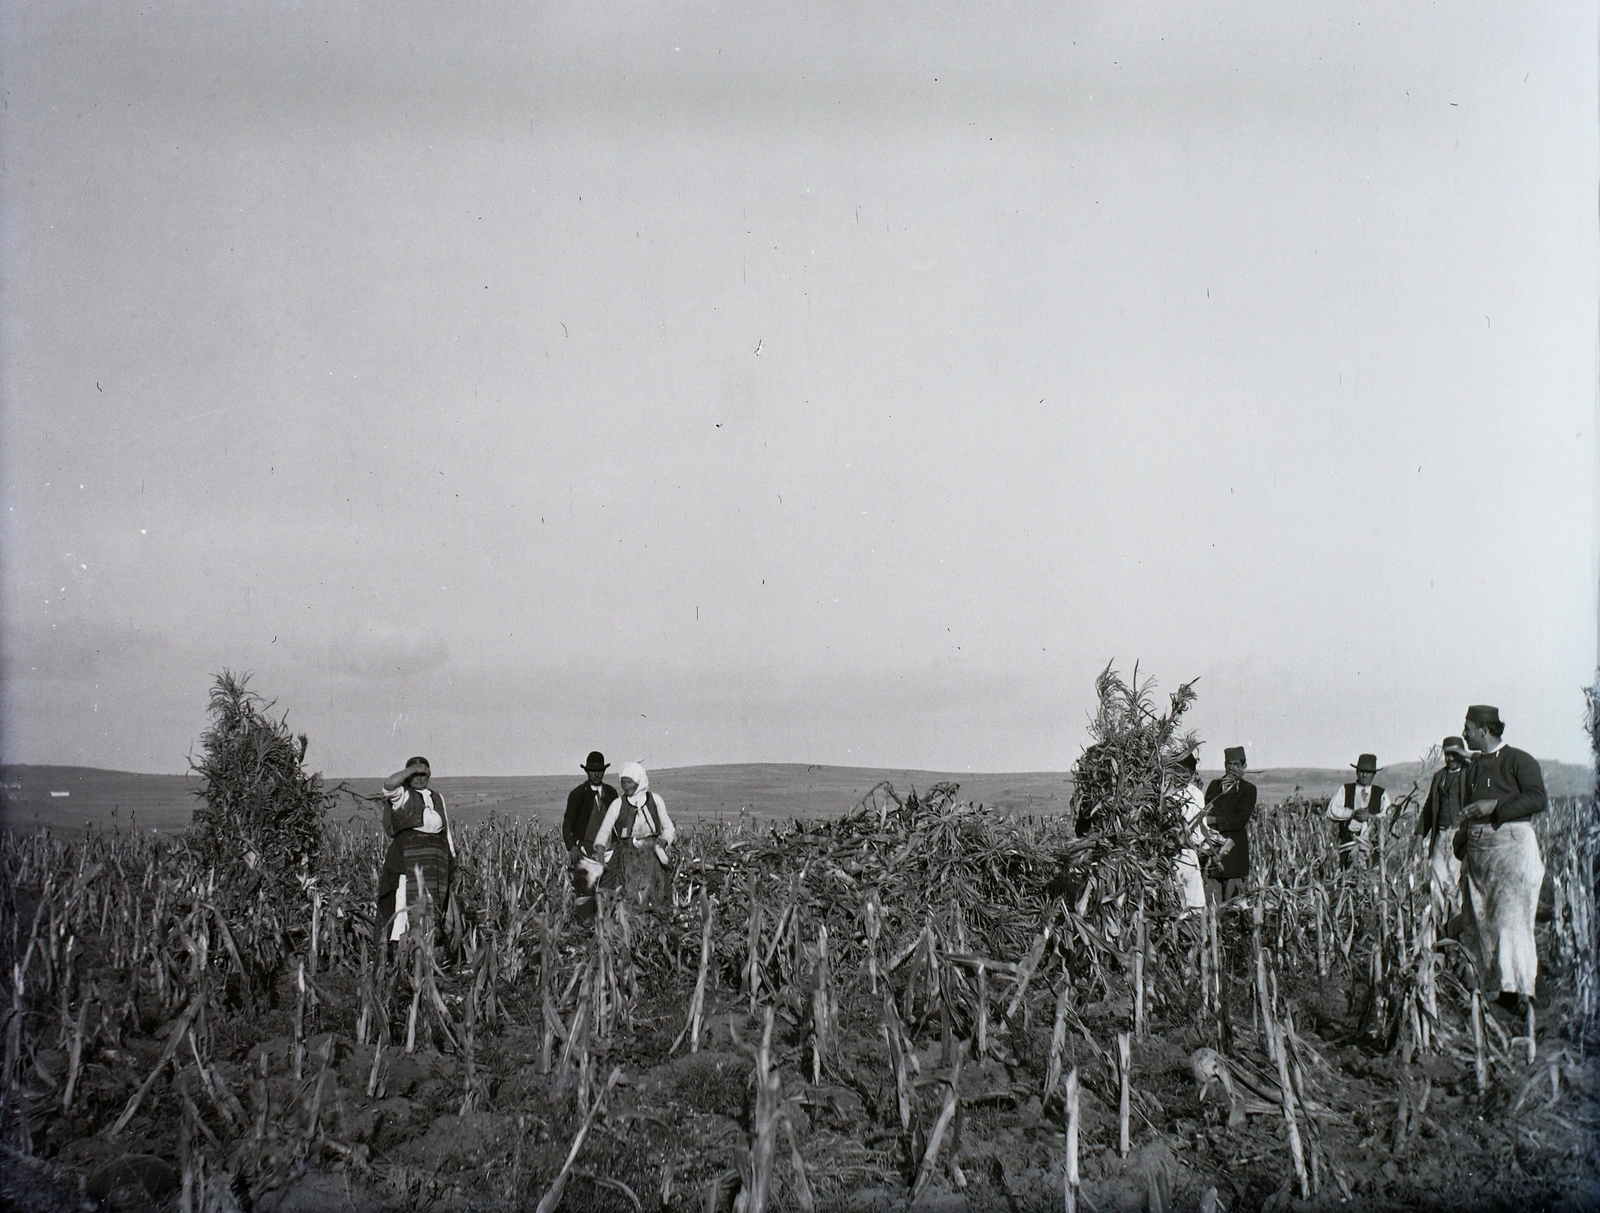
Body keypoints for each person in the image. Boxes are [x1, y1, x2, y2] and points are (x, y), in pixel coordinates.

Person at [1456, 705, 1547, 1015]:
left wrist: (1494, 805)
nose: (1464, 733)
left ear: (1484, 729)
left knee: (1511, 920)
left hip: (1512, 847)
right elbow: (1470, 811)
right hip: (1479, 851)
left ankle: (1522, 992)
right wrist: (1462, 841)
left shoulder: (1519, 760)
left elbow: (1537, 799)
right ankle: (1490, 988)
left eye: (1467, 727)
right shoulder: (1473, 768)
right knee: (1477, 920)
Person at [376, 756, 456, 949]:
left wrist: (452, 856)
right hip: (409, 857)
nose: (419, 778)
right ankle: (401, 946)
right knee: (405, 896)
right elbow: (388, 784)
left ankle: (430, 943)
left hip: (436, 857)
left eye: (423, 773)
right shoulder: (401, 794)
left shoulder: (437, 797)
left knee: (435, 897)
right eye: (415, 774)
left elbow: (446, 830)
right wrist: (411, 770)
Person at [591, 761, 677, 907]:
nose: (625, 786)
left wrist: (663, 842)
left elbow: (669, 828)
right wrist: (600, 853)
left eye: (629, 782)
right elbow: (605, 830)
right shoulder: (618, 804)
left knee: (660, 889)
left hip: (653, 852)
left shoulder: (655, 800)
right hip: (626, 853)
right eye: (623, 782)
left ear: (639, 780)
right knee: (613, 888)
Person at [1416, 736, 1472, 925]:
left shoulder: (1470, 774)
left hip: (1461, 837)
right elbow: (1428, 810)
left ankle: (1456, 928)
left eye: (1455, 754)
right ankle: (1439, 927)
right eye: (1447, 754)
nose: (1450, 759)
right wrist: (1418, 836)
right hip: (1440, 837)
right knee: (1437, 882)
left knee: (1456, 884)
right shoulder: (1439, 777)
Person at [1171, 745, 1222, 915]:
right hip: (1167, 855)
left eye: (1186, 775)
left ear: (1192, 775)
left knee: (1191, 904)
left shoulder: (1196, 795)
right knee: (1174, 901)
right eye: (1178, 774)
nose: (1182, 779)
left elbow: (1200, 831)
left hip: (1186, 854)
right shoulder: (1164, 794)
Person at [564, 751, 619, 905]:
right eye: (593, 771)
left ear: (604, 771)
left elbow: (618, 821)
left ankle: (603, 927)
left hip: (608, 853)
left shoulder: (611, 793)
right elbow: (568, 823)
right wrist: (572, 847)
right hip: (584, 852)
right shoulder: (578, 794)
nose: (596, 774)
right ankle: (584, 927)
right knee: (585, 896)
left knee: (607, 895)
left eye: (600, 771)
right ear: (587, 771)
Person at [1204, 746, 1257, 901]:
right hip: (1212, 852)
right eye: (1229, 764)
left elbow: (1239, 820)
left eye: (1237, 765)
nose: (1232, 769)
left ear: (1244, 767)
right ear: (1224, 765)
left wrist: (1213, 820)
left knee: (1232, 905)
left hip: (1234, 856)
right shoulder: (1215, 785)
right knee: (1212, 904)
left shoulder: (1248, 789)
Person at [1326, 754, 1388, 868]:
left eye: (1368, 772)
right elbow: (1332, 810)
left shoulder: (1381, 793)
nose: (1364, 775)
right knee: (1346, 876)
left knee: (1371, 875)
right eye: (1361, 771)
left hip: (1371, 847)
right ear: (1356, 771)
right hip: (1348, 844)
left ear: (1374, 774)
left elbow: (1388, 816)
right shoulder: (1345, 789)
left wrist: (1370, 817)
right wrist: (1352, 813)